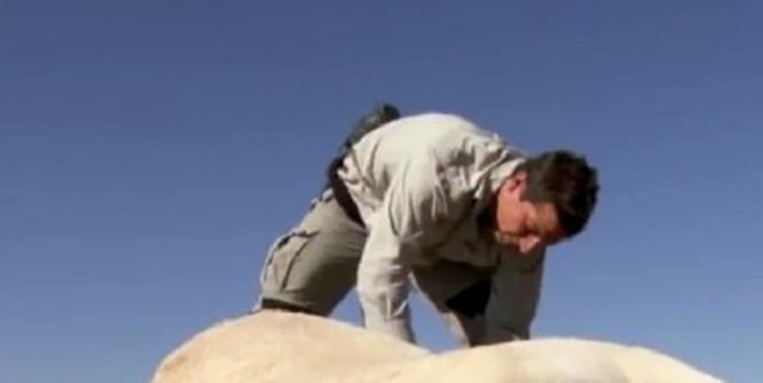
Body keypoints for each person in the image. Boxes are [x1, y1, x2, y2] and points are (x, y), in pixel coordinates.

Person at [254, 107, 600, 347]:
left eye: (546, 242)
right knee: (280, 324)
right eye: (528, 228)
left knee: (490, 350)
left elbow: (508, 331)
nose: (529, 248)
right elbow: (380, 277)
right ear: (515, 184)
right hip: (365, 203)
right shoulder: (440, 168)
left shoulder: (532, 236)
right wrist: (406, 377)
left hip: (444, 246)